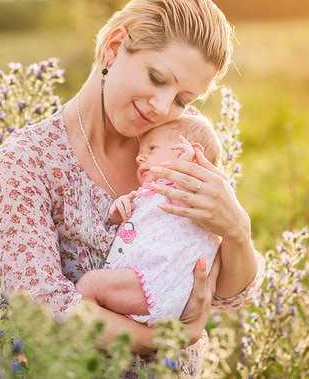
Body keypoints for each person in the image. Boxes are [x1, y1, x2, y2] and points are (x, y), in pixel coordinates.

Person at [0, 0, 265, 376]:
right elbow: (37, 304)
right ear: (114, 46)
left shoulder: (175, 148)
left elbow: (230, 292)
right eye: (157, 78)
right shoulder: (27, 160)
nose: (162, 107)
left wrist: (237, 230)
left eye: (183, 99)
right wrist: (167, 339)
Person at [76, 114, 230, 327]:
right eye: (140, 152)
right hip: (144, 284)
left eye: (152, 149)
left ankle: (68, 338)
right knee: (100, 308)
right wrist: (121, 213)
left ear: (187, 153)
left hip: (157, 283)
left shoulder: (188, 191)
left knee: (89, 285)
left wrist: (187, 162)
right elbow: (139, 226)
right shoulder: (149, 195)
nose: (139, 157)